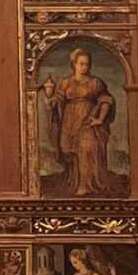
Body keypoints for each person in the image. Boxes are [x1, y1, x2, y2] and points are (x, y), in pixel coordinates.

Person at [47, 47, 118, 196]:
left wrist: (100, 119)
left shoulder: (95, 83)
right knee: (68, 150)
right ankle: (75, 181)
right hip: (69, 121)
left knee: (85, 149)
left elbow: (106, 100)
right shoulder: (66, 83)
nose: (85, 67)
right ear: (74, 64)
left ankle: (85, 185)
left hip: (87, 121)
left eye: (87, 64)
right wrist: (51, 100)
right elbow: (58, 99)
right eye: (81, 64)